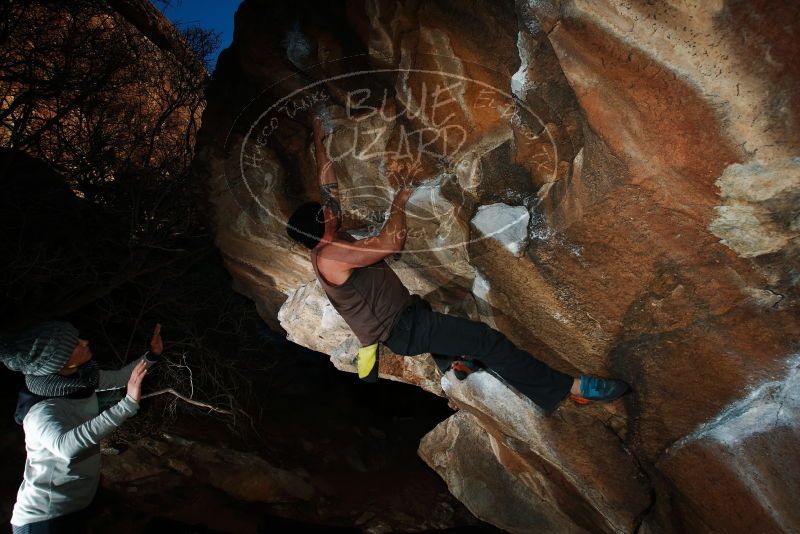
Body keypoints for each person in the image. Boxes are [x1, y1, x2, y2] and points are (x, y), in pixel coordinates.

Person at [286, 113, 629, 413]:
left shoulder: (327, 239)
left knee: (451, 327)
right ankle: (570, 389)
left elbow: (328, 187)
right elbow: (392, 242)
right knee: (487, 340)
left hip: (411, 318)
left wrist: (321, 142)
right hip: (406, 330)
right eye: (328, 214)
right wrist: (399, 201)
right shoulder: (331, 255)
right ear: (322, 226)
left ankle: (456, 361)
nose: (334, 210)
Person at [0, 321, 163, 533]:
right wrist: (128, 405)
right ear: (60, 362)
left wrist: (151, 355)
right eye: (75, 344)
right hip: (44, 520)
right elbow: (66, 447)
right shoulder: (40, 411)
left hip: (73, 508)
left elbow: (123, 377)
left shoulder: (79, 380)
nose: (84, 341)